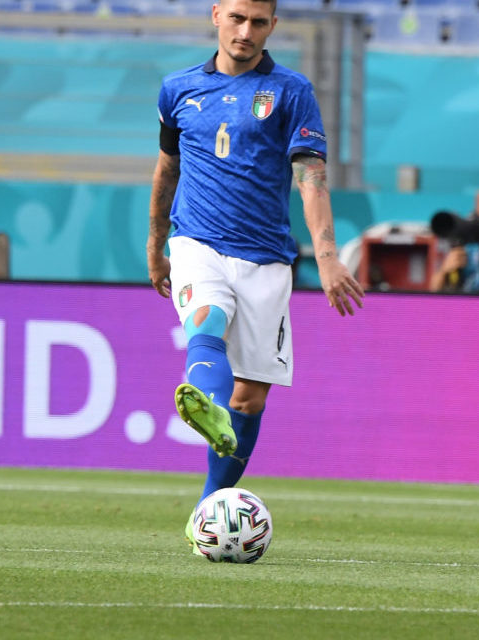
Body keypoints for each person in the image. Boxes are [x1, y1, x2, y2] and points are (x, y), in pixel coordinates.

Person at [145, 0, 364, 541]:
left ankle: (209, 510)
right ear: (215, 15)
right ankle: (206, 404)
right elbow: (168, 167)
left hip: (267, 257)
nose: (246, 32)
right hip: (197, 240)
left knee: (251, 398)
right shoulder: (177, 90)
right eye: (237, 18)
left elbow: (310, 177)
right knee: (207, 314)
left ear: (272, 26)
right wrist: (156, 242)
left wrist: (329, 256)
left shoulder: (291, 92)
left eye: (258, 22)